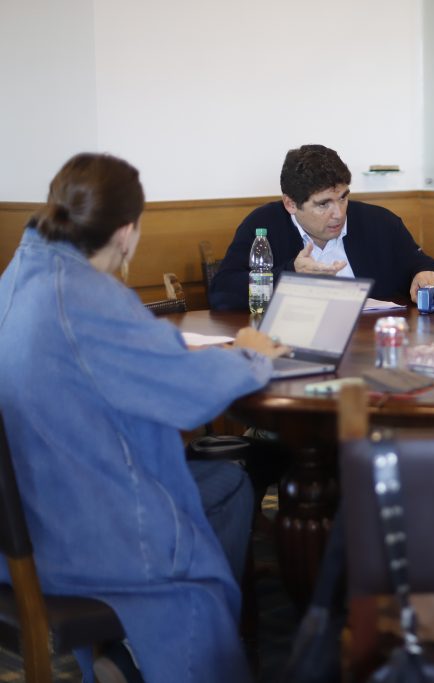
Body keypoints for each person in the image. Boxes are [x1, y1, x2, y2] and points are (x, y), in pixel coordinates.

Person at [0, 153, 290, 683]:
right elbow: (188, 392)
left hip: (25, 515)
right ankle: (155, 652)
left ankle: (127, 652)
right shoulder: (85, 296)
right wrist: (251, 355)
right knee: (223, 492)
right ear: (127, 231)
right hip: (82, 528)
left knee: (220, 481)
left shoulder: (20, 272)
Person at [209, 144, 434, 310]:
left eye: (343, 198)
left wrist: (426, 276)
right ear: (291, 204)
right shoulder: (264, 225)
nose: (338, 213)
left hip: (369, 346)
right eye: (323, 204)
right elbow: (222, 293)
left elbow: (432, 271)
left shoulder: (379, 222)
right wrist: (290, 274)